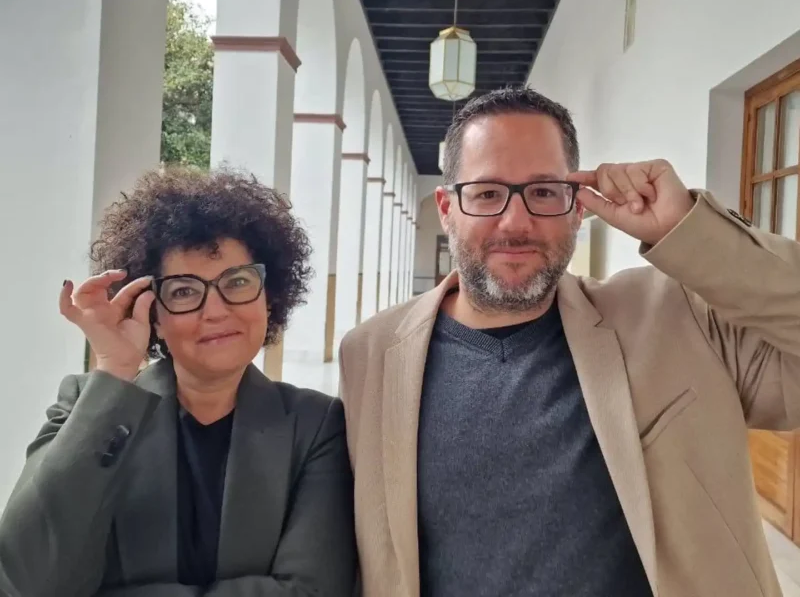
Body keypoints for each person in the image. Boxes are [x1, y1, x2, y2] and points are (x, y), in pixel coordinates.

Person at [338, 86, 800, 597]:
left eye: (544, 192)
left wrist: (686, 230)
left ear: (578, 208)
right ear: (447, 208)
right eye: (487, 193)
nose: (515, 222)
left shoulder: (673, 317)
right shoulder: (371, 354)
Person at [0, 167, 357, 597]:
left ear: (269, 296)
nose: (217, 310)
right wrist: (115, 367)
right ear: (154, 315)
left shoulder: (316, 424)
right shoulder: (88, 409)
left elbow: (311, 591)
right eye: (185, 291)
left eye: (238, 282)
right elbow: (24, 580)